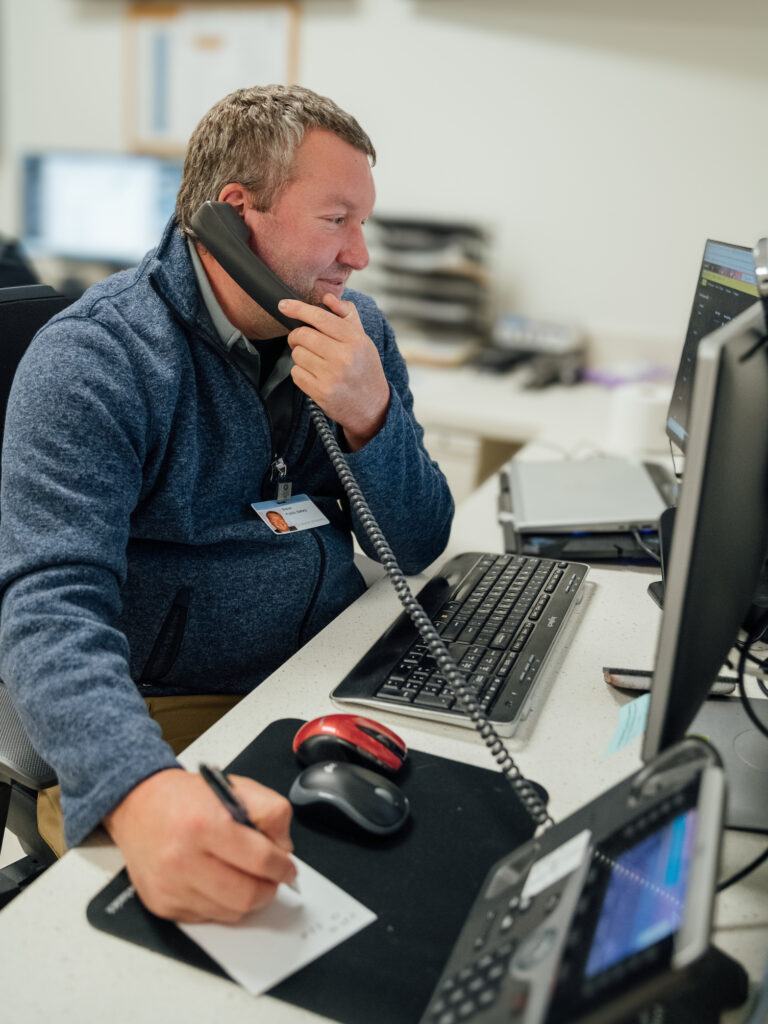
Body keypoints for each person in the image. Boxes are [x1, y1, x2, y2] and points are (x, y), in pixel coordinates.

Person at [0, 85, 454, 923]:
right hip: (171, 702)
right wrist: (137, 787)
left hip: (332, 670)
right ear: (234, 215)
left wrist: (371, 415)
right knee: (277, 917)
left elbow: (420, 542)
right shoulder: (95, 360)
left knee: (446, 868)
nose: (359, 255)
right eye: (336, 220)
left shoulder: (354, 332)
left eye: (363, 223)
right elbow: (49, 607)